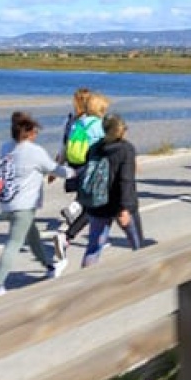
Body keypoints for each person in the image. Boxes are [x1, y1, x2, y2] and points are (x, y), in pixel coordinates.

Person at [0, 112, 71, 300]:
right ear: (28, 133)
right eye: (35, 131)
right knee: (14, 243)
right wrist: (76, 172)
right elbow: (55, 169)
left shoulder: (6, 147)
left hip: (6, 204)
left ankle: (49, 267)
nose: (36, 134)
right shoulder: (35, 151)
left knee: (33, 237)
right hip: (24, 207)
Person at [54, 92, 109, 265]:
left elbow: (65, 146)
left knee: (90, 205)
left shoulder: (76, 123)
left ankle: (76, 223)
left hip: (75, 167)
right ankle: (67, 235)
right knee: (94, 208)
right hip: (92, 170)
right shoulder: (98, 125)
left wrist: (57, 168)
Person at [80, 114, 142, 266]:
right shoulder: (126, 149)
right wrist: (124, 208)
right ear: (122, 130)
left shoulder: (94, 148)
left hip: (97, 204)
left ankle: (86, 278)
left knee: (94, 247)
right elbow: (125, 180)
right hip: (119, 204)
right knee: (138, 245)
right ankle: (145, 274)